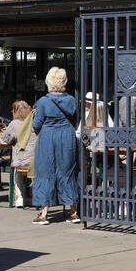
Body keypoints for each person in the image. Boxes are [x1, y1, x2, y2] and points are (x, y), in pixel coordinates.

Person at [31, 67, 79, 225]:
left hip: (48, 137)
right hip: (67, 136)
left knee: (45, 171)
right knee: (68, 172)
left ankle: (43, 213)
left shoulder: (43, 101)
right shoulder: (71, 99)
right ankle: (73, 213)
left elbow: (36, 125)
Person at [0, 100, 37, 208]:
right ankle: (33, 196)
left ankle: (19, 197)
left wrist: (5, 132)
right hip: (36, 160)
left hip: (21, 161)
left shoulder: (14, 123)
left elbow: (6, 139)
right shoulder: (34, 122)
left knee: (17, 172)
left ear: (16, 111)